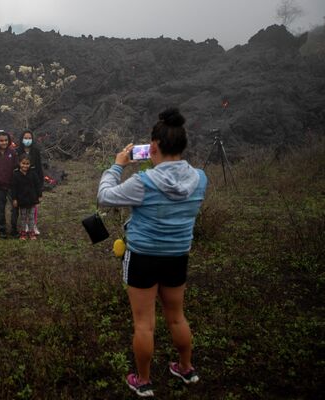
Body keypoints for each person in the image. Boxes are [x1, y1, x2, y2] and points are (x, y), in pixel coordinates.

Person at [97, 108, 207, 397]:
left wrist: (117, 165)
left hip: (143, 257)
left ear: (153, 147)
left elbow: (105, 195)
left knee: (144, 323)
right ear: (182, 146)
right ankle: (185, 368)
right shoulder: (200, 179)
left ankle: (143, 381)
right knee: (177, 317)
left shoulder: (143, 183)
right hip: (177, 256)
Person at [16, 130, 44, 235]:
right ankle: (25, 225)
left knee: (33, 205)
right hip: (22, 181)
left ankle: (33, 225)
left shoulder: (36, 151)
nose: (27, 140)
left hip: (33, 180)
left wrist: (40, 184)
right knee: (23, 205)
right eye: (25, 138)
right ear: (22, 139)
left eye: (29, 138)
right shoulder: (18, 151)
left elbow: (39, 168)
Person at [11, 153, 42, 240]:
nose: (25, 165)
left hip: (32, 199)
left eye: (27, 163)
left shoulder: (33, 174)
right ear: (19, 163)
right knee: (23, 217)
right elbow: (13, 188)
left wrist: (39, 195)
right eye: (23, 163)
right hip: (22, 200)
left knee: (31, 217)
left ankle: (31, 232)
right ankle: (23, 232)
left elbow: (37, 185)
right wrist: (14, 199)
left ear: (30, 164)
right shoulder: (16, 175)